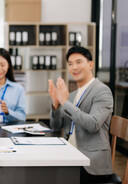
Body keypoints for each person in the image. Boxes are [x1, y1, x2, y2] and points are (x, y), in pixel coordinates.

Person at [48, 46, 113, 183]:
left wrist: (65, 103)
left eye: (78, 62)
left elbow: (93, 124)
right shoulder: (72, 95)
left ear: (90, 64)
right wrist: (56, 105)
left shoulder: (102, 91)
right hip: (70, 154)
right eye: (70, 64)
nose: (74, 67)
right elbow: (56, 126)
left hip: (91, 162)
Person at [0, 48, 26, 124]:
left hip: (12, 133)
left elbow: (22, 117)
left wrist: (8, 112)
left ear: (8, 65)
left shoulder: (18, 89)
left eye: (3, 65)